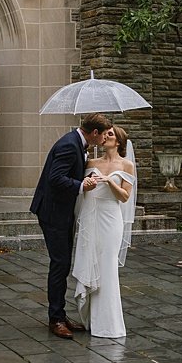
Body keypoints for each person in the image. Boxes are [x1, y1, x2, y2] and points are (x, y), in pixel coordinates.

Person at [30, 112, 113, 339]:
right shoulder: (69, 145)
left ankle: (60, 314)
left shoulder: (77, 143)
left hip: (62, 212)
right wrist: (81, 185)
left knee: (63, 264)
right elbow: (55, 178)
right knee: (60, 263)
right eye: (104, 134)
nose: (105, 139)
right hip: (53, 212)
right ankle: (56, 319)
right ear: (94, 133)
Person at [70, 125, 137, 338]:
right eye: (105, 133)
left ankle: (109, 325)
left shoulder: (126, 166)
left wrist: (110, 182)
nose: (105, 136)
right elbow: (82, 187)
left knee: (107, 267)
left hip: (111, 221)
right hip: (91, 220)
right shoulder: (91, 163)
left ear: (118, 141)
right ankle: (90, 319)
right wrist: (86, 182)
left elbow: (125, 197)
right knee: (91, 263)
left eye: (110, 134)